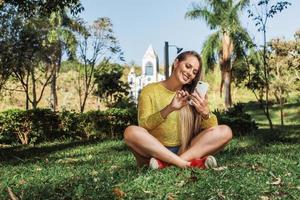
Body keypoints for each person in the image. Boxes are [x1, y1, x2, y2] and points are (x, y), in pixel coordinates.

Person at [124, 51, 232, 169]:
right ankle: (185, 164)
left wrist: (205, 113)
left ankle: (168, 165)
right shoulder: (149, 90)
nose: (190, 73)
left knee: (225, 131)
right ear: (176, 63)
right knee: (130, 132)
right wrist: (170, 108)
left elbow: (213, 131)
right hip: (154, 151)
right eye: (188, 66)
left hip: (184, 150)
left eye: (194, 72)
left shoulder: (192, 95)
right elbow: (144, 125)